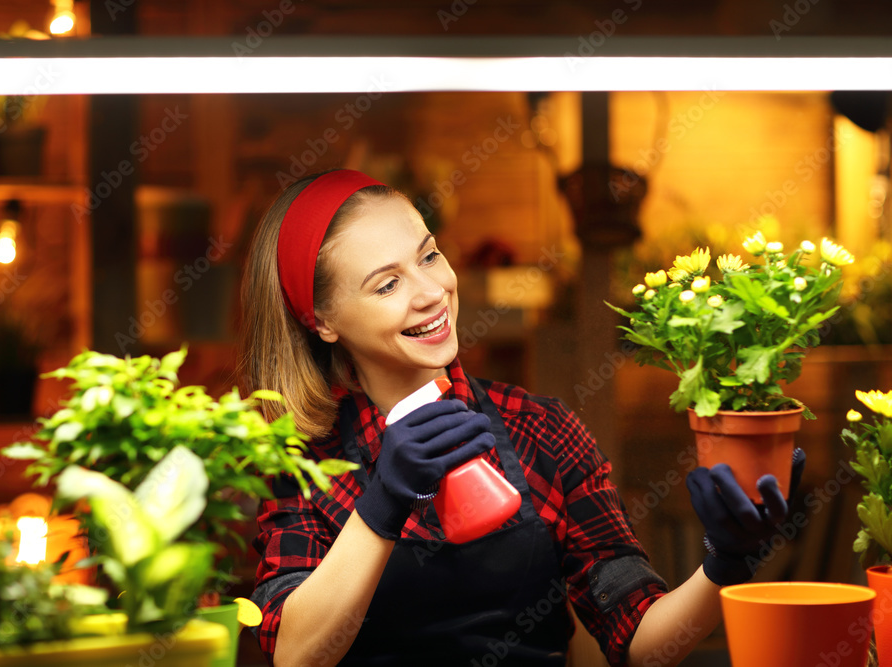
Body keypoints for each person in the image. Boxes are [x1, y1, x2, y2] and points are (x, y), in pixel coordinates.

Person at [239, 168, 803, 667]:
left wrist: (726, 562)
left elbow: (638, 642)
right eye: (388, 284)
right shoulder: (301, 461)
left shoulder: (543, 430)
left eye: (429, 255)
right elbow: (296, 654)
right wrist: (382, 505)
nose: (432, 291)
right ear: (324, 320)